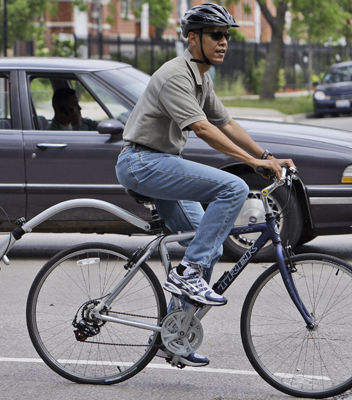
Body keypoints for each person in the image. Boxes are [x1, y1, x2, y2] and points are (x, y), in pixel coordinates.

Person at [115, 3, 294, 366]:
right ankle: (187, 272)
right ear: (192, 39)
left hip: (162, 162)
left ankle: (172, 337)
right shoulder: (175, 75)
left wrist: (266, 156)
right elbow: (203, 129)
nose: (224, 42)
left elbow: (225, 123)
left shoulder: (201, 77)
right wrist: (251, 164)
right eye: (215, 35)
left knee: (205, 244)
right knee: (233, 189)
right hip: (142, 162)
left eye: (226, 35)